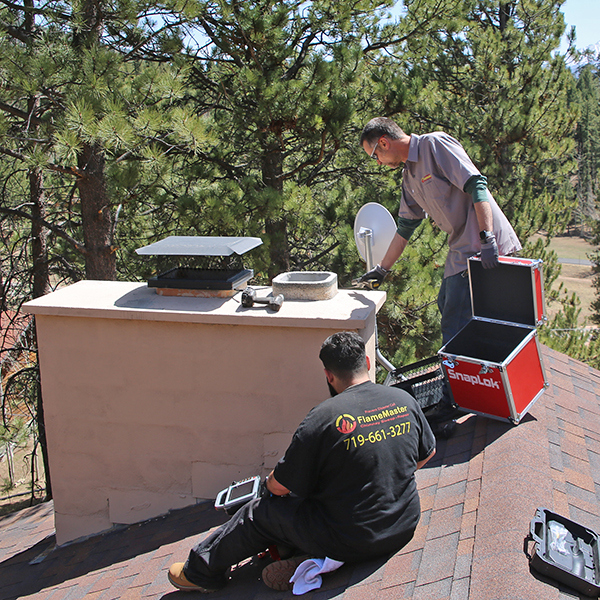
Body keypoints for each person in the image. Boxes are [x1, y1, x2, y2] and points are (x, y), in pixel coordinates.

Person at [168, 331, 436, 593]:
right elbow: (426, 454)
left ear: (328, 376)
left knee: (260, 512)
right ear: (366, 363)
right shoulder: (403, 399)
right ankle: (306, 554)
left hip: (353, 539)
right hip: (403, 525)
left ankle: (199, 572)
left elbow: (279, 488)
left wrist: (270, 482)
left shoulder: (322, 418)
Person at [359, 117, 521, 344]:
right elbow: (405, 228)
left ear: (384, 143)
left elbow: (477, 184)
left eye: (374, 155)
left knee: (456, 322)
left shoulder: (434, 145)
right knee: (446, 302)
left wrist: (488, 239)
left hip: (485, 246)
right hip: (461, 249)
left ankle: (456, 377)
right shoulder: (408, 177)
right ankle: (466, 374)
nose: (377, 162)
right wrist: (381, 270)